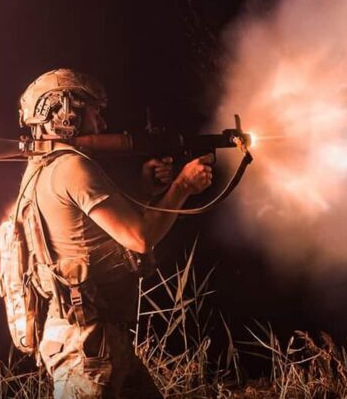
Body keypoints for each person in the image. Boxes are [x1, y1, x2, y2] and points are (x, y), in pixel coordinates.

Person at [17, 68, 213, 398]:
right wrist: (183, 186)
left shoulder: (41, 169)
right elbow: (140, 238)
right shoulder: (73, 168)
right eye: (95, 113)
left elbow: (91, 234)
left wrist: (145, 192)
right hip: (87, 351)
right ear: (67, 114)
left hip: (98, 342)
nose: (102, 124)